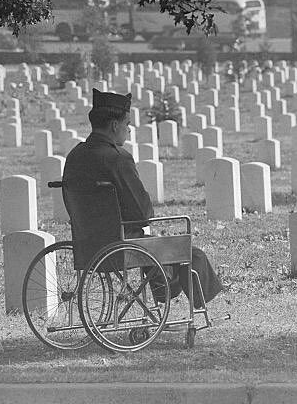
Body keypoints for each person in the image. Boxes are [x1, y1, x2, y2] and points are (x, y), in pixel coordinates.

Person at [62, 88, 225, 306]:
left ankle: (166, 284)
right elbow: (143, 213)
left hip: (86, 243)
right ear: (114, 126)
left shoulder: (75, 156)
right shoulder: (117, 158)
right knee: (192, 254)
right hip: (120, 244)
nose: (128, 131)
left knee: (151, 244)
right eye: (127, 125)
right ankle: (176, 290)